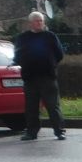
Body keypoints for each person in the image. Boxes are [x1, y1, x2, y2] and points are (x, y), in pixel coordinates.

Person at [13, 11, 67, 141]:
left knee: (52, 105)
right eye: (36, 21)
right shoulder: (23, 38)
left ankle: (59, 131)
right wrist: (25, 64)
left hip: (47, 76)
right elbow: (18, 55)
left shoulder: (50, 36)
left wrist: (51, 64)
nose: (39, 23)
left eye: (41, 21)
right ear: (30, 23)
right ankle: (31, 132)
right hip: (30, 77)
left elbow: (59, 54)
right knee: (31, 107)